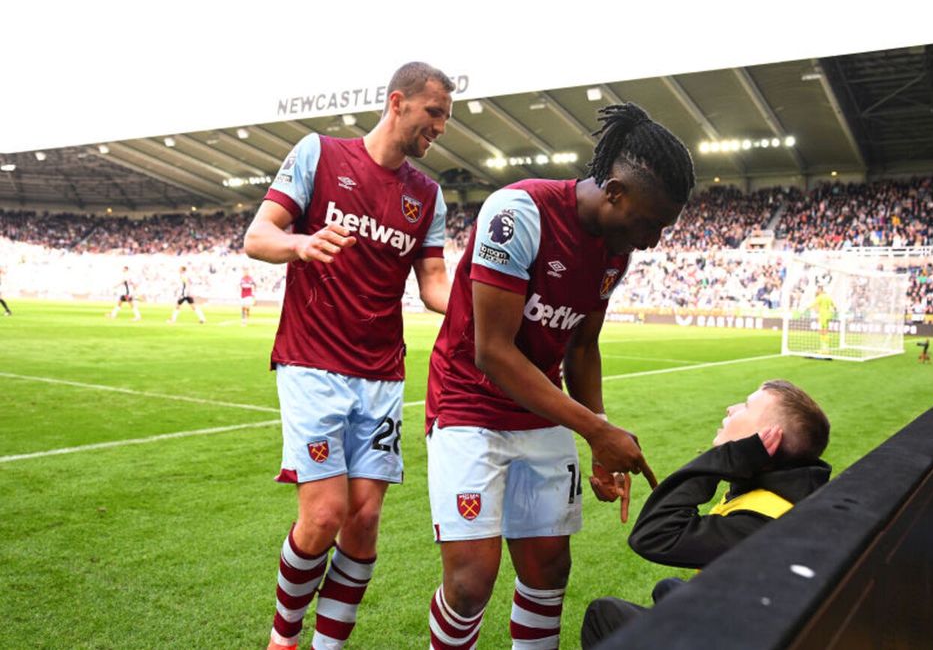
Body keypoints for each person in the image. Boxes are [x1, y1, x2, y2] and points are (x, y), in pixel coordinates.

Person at [424, 102, 695, 650]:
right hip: (469, 407)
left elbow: (583, 346)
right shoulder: (518, 213)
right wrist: (595, 432)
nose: (652, 242)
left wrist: (597, 425)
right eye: (649, 224)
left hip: (541, 411)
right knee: (471, 582)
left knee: (549, 571)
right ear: (615, 191)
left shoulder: (613, 251)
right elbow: (493, 353)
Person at [243, 61, 454, 650]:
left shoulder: (426, 194)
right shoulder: (319, 154)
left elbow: (433, 282)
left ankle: (326, 646)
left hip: (382, 375)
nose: (439, 128)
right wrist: (301, 243)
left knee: (364, 522)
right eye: (434, 113)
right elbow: (258, 236)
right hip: (312, 363)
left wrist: (479, 303)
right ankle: (284, 637)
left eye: (445, 119)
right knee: (324, 515)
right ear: (398, 103)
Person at [580, 379, 832, 648]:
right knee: (668, 588)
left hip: (744, 637)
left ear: (765, 440)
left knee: (603, 614)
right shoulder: (788, 492)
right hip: (752, 621)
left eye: (746, 406)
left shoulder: (759, 523)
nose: (730, 409)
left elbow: (652, 535)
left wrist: (725, 459)